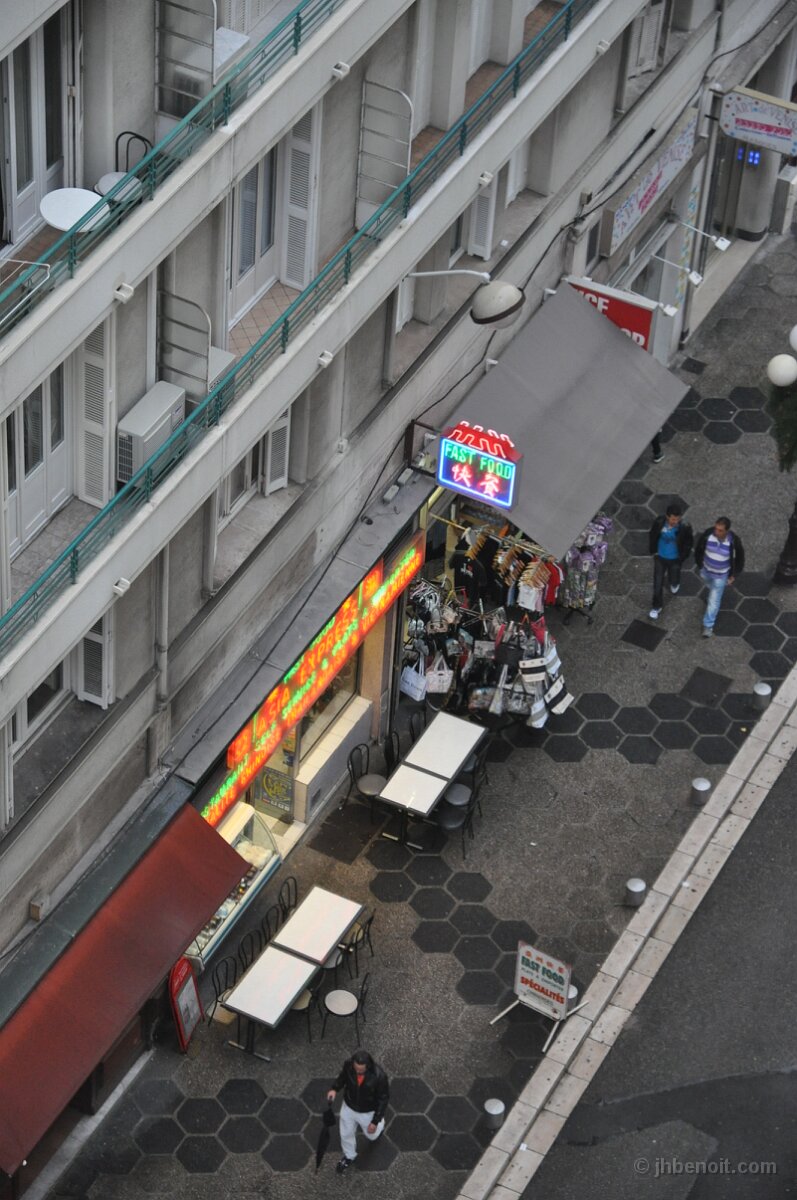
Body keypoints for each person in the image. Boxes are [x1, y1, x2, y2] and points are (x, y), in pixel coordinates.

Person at [327, 1049, 390, 1174]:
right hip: (349, 1105)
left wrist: (375, 1121)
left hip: (367, 1111)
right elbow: (342, 1077)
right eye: (356, 1069)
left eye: (361, 1070)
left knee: (372, 1135)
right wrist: (334, 1089)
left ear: (368, 1066)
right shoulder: (349, 1066)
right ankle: (349, 1155)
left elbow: (383, 1099)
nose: (357, 1072)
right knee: (345, 1133)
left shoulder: (379, 1076)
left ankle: (380, 1125)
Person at [694, 516, 745, 638]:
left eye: (720, 530)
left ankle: (708, 625)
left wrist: (734, 575)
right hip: (706, 571)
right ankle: (711, 594)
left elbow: (740, 559)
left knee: (714, 601)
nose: (716, 532)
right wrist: (700, 565)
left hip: (721, 576)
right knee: (710, 586)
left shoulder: (734, 542)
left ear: (727, 531)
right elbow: (698, 550)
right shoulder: (708, 535)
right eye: (716, 528)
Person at [648, 503, 693, 619]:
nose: (675, 521)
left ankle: (675, 582)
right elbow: (653, 534)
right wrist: (654, 551)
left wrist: (682, 557)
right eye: (673, 519)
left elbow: (688, 543)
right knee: (657, 583)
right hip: (660, 557)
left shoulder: (685, 526)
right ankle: (656, 606)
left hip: (675, 559)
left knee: (674, 575)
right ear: (667, 517)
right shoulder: (659, 522)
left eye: (678, 519)